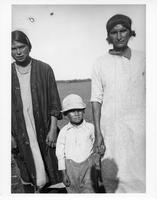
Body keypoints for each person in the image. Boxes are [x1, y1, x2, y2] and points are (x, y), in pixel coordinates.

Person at [91, 14, 146, 193]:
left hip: (141, 129)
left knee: (143, 176)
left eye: (123, 31)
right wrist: (98, 133)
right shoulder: (100, 63)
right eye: (114, 32)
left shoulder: (144, 59)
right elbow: (96, 99)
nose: (120, 36)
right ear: (109, 36)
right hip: (112, 130)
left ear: (131, 33)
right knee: (113, 177)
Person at [11, 30, 64, 193]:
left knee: (53, 175)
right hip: (20, 132)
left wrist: (53, 130)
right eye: (13, 48)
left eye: (22, 47)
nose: (18, 52)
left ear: (29, 47)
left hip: (44, 129)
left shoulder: (44, 69)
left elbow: (54, 103)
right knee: (29, 173)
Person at [56, 94, 101, 193]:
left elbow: (97, 148)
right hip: (71, 169)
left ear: (83, 111)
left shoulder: (90, 128)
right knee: (73, 192)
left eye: (79, 110)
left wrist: (97, 166)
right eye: (72, 111)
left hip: (88, 167)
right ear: (66, 114)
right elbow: (60, 155)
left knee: (90, 191)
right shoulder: (64, 132)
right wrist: (64, 173)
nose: (76, 113)